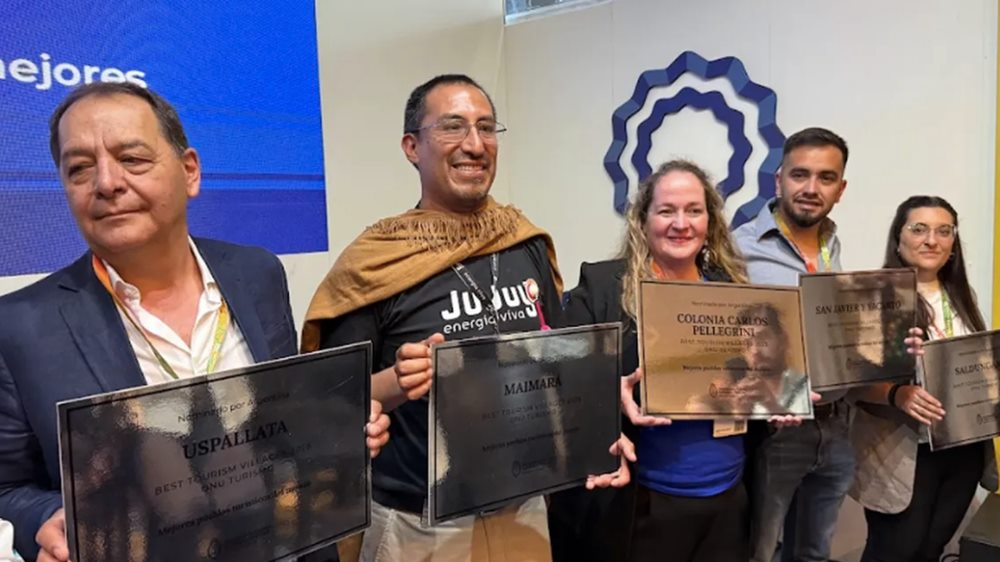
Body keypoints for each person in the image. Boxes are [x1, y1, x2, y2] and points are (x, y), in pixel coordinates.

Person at [0, 82, 390, 562]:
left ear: (189, 171)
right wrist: (45, 520)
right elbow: (7, 489)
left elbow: (282, 422)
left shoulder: (256, 273)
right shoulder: (20, 327)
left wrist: (336, 432)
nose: (106, 183)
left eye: (132, 159)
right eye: (79, 168)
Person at [301, 74, 630, 562]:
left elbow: (555, 366)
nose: (474, 144)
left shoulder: (525, 242)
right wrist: (396, 381)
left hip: (524, 511)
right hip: (420, 527)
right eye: (452, 127)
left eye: (486, 127)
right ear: (412, 147)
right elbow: (328, 404)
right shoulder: (375, 262)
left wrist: (598, 417)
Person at [549, 160, 753, 562]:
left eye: (694, 210)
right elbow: (557, 374)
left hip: (728, 498)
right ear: (642, 221)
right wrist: (607, 394)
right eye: (666, 211)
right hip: (644, 502)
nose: (681, 223)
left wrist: (783, 393)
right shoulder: (603, 288)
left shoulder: (732, 291)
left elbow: (751, 378)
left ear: (710, 222)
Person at [849, 196, 999, 562]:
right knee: (895, 551)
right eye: (919, 229)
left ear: (953, 243)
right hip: (904, 451)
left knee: (932, 550)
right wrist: (898, 394)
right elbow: (850, 382)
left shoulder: (961, 295)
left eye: (943, 231)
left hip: (962, 448)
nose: (932, 240)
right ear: (898, 238)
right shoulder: (871, 296)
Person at [733, 127, 856, 562]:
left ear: (841, 189)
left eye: (826, 178)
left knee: (814, 553)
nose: (811, 188)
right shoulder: (738, 247)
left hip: (837, 427)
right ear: (778, 180)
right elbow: (719, 343)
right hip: (775, 433)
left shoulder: (832, 245)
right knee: (759, 552)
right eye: (799, 174)